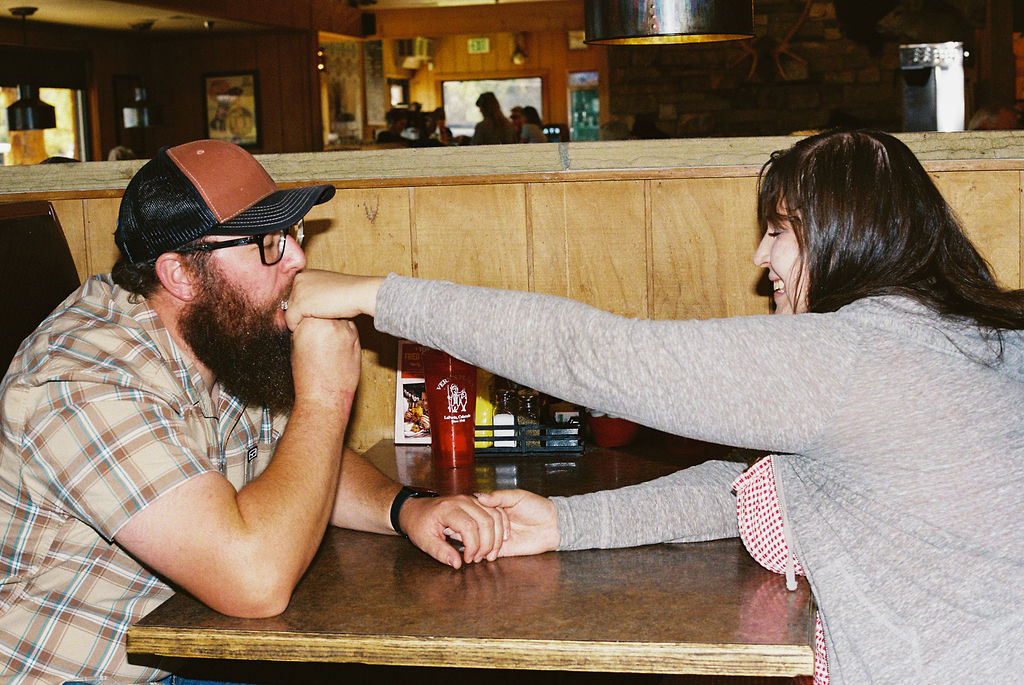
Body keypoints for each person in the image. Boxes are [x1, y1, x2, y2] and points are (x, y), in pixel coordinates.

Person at [284, 129, 1024, 684]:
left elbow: (595, 356)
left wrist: (372, 294)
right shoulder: (961, 337)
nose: (761, 260)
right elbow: (758, 489)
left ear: (847, 239)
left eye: (778, 232)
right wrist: (567, 523)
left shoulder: (855, 354)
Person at [0, 139, 505, 683]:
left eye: (290, 233)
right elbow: (255, 583)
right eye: (266, 243)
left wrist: (406, 509)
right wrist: (325, 396)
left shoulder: (217, 334)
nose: (297, 258)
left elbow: (297, 462)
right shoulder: (82, 382)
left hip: (186, 645)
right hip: (76, 672)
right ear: (181, 275)